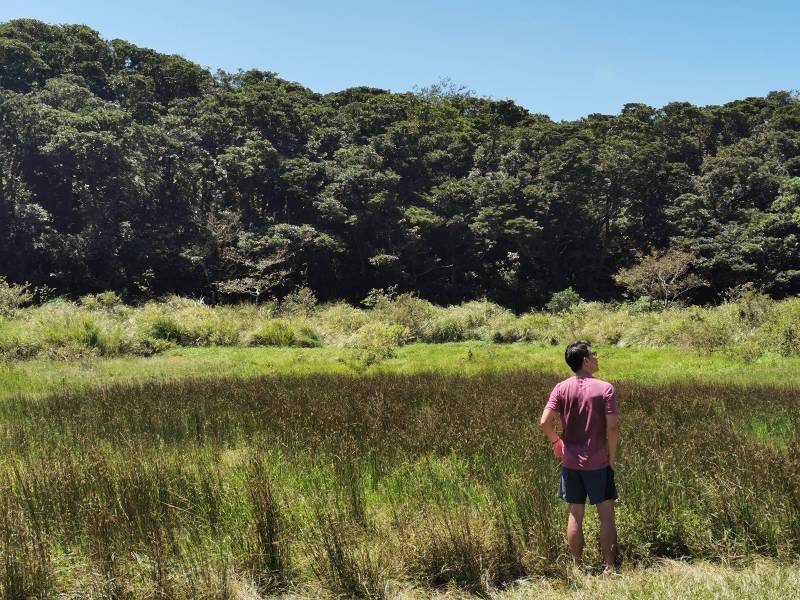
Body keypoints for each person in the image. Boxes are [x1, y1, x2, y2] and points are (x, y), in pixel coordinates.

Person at [539, 340, 619, 574]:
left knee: (576, 512)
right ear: (585, 360)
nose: (597, 357)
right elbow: (613, 426)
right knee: (606, 514)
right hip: (599, 461)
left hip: (571, 461)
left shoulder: (561, 388)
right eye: (594, 354)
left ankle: (577, 567)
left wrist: (557, 442)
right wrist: (611, 456)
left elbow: (545, 422)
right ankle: (609, 567)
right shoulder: (605, 388)